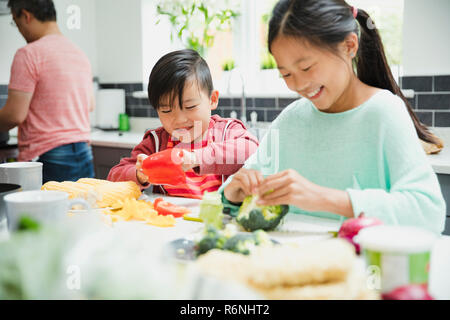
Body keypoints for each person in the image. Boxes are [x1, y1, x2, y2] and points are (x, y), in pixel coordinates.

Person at [222, 0, 446, 234]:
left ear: (349, 46)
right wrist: (233, 192)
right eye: (286, 74)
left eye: (307, 67)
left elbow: (428, 212)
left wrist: (322, 198)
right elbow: (237, 191)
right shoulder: (290, 120)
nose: (298, 85)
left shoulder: (384, 111)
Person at [108, 49, 259, 199]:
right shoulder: (155, 142)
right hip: (172, 221)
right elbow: (114, 176)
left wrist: (196, 158)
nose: (179, 120)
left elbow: (252, 149)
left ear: (212, 99)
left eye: (190, 107)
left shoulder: (226, 131)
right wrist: (139, 174)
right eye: (166, 110)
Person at [0, 0, 95, 182]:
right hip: (83, 153)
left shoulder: (28, 53)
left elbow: (14, 115)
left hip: (48, 157)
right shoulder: (79, 53)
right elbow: (89, 105)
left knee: (41, 211)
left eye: (16, 22)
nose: (19, 29)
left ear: (26, 16)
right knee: (82, 209)